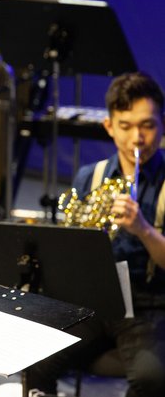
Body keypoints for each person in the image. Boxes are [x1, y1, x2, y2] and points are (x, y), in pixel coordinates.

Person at [26, 72, 165, 397]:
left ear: (162, 125)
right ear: (109, 127)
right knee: (35, 359)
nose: (137, 138)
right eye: (126, 126)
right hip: (93, 300)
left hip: (149, 305)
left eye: (147, 125)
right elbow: (67, 248)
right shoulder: (91, 176)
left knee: (152, 379)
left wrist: (142, 229)